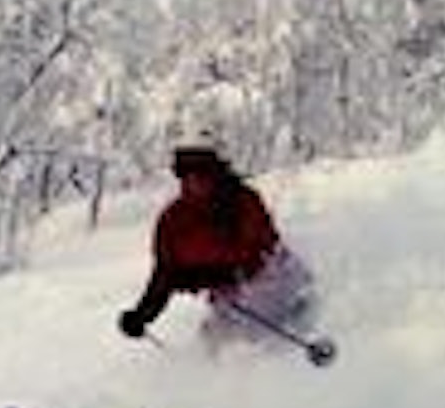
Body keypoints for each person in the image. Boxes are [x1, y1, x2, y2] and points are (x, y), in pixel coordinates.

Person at [117, 130, 316, 348]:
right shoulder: (172, 220)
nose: (194, 180)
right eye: (186, 172)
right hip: (230, 298)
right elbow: (164, 273)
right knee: (214, 343)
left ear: (216, 171)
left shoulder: (242, 201)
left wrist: (208, 276)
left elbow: (258, 251)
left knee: (256, 343)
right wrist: (143, 314)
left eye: (202, 172)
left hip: (273, 282)